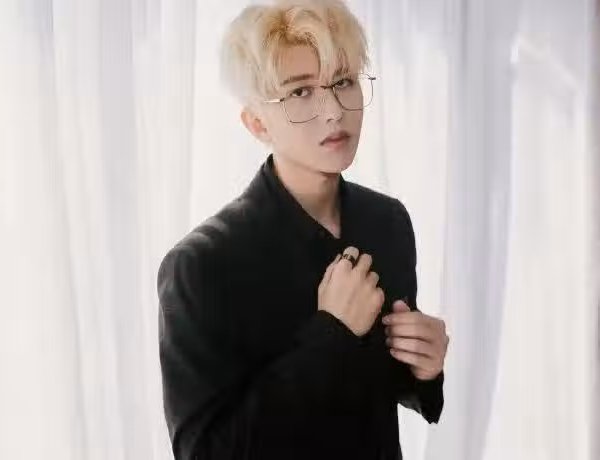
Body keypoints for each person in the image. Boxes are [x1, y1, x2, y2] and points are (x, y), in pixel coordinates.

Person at [156, 1, 449, 459]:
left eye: (343, 81)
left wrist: (423, 370)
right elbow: (205, 451)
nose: (333, 111)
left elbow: (381, 382)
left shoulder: (387, 221)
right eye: (300, 92)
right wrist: (331, 334)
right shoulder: (200, 265)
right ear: (257, 123)